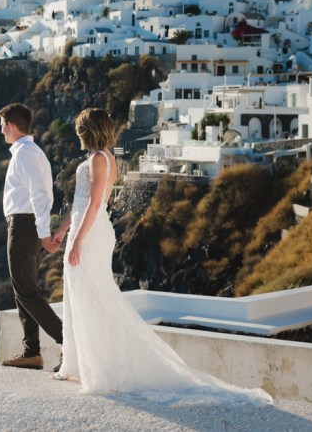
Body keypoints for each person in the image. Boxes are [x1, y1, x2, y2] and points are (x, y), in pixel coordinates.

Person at [51, 108, 270, 403]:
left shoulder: (99, 159)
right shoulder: (102, 158)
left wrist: (76, 240)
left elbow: (92, 205)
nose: (76, 133)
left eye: (80, 128)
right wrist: (63, 230)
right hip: (84, 229)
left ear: (89, 130)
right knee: (81, 295)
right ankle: (76, 363)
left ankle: (97, 366)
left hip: (89, 233)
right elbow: (79, 204)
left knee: (94, 297)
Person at [0, 103, 63, 370]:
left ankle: (69, 343)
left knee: (26, 291)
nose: (1, 131)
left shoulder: (25, 154)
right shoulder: (30, 152)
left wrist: (44, 234)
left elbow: (40, 195)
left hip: (25, 226)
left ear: (12, 125)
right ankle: (31, 352)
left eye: (2, 125)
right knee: (22, 291)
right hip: (25, 226)